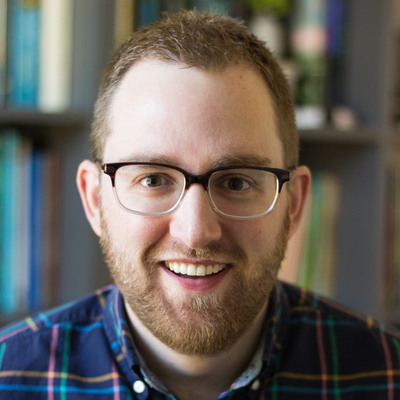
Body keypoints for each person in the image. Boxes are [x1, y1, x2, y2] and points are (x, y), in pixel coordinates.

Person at [0, 10, 399, 400]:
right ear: (93, 199)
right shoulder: (9, 378)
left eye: (237, 182)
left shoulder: (387, 376)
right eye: (153, 180)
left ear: (293, 203)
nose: (195, 231)